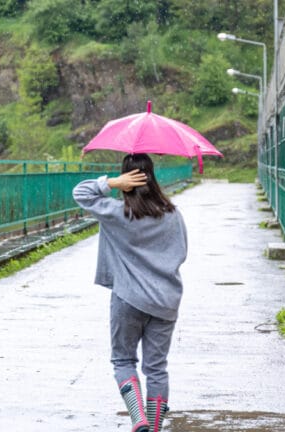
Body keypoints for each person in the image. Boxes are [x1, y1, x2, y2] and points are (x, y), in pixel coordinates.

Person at [72, 153, 187, 432]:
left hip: (128, 299)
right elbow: (181, 252)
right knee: (157, 368)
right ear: (153, 177)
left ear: (127, 181)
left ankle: (139, 420)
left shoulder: (117, 213)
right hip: (165, 301)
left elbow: (81, 193)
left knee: (123, 360)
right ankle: (155, 427)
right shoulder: (172, 215)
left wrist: (111, 183)